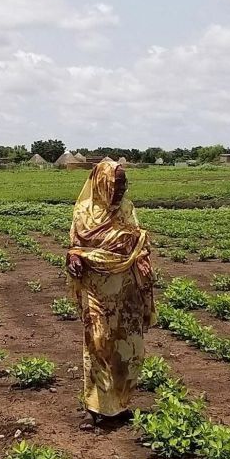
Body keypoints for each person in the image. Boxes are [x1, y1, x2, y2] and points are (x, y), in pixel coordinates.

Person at [67, 161, 155, 429]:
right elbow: (75, 246)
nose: (121, 189)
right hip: (96, 289)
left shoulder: (127, 209)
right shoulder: (83, 212)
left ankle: (117, 405)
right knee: (97, 343)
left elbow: (138, 241)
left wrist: (142, 257)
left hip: (125, 289)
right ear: (102, 183)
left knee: (126, 346)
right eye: (116, 184)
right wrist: (74, 258)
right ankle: (94, 408)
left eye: (124, 184)